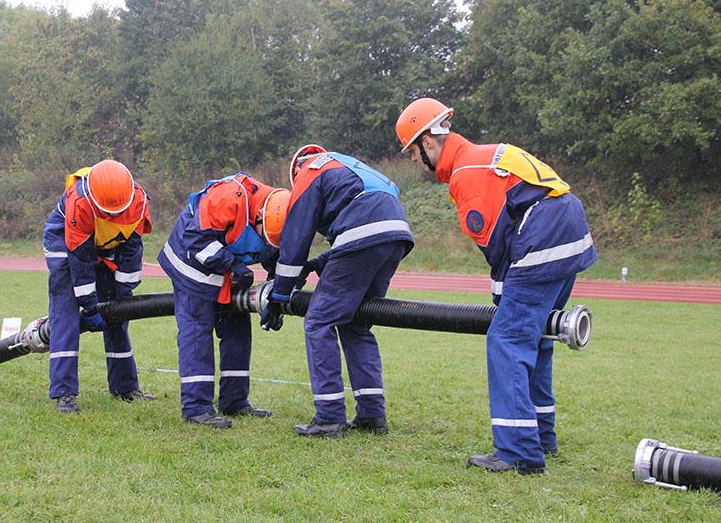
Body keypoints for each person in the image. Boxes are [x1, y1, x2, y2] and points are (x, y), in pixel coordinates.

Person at [395, 97, 597, 473]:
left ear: (428, 142)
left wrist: (501, 295)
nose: (413, 160)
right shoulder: (485, 155)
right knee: (538, 335)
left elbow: (497, 244)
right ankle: (541, 436)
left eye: (412, 151)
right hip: (568, 226)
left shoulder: (466, 173)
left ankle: (519, 451)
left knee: (507, 340)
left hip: (541, 233)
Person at [266, 145, 414, 438]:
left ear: (296, 171)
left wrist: (279, 295)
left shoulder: (310, 172)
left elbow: (297, 237)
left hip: (364, 233)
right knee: (356, 324)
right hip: (396, 235)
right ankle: (372, 414)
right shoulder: (347, 166)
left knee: (319, 322)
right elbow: (358, 222)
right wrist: (317, 265)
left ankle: (329, 417)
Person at [158, 173, 290, 428]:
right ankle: (196, 408)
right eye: (263, 236)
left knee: (238, 330)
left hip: (225, 269)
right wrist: (233, 265)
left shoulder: (280, 212)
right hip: (190, 263)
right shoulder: (228, 197)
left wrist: (277, 294)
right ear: (258, 215)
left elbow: (277, 253)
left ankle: (234, 400)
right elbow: (196, 240)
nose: (265, 242)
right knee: (197, 331)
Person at [42, 159, 155, 413]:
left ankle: (125, 387)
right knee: (66, 315)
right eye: (108, 211)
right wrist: (90, 306)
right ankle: (64, 393)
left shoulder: (138, 200)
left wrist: (123, 295)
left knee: (118, 316)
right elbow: (80, 259)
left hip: (106, 245)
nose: (113, 215)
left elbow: (132, 249)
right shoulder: (80, 201)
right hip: (65, 244)